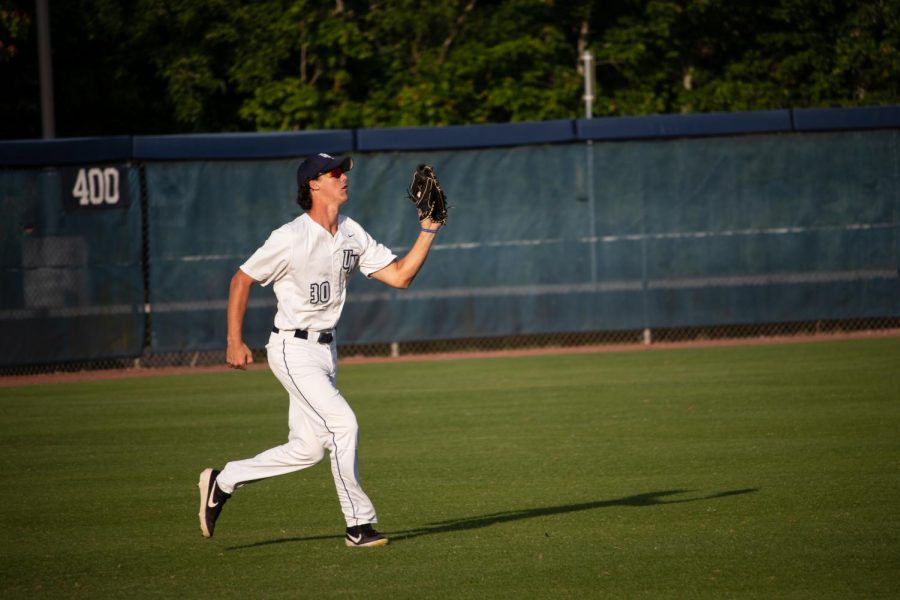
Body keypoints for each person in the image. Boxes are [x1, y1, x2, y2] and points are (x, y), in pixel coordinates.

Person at [198, 152, 443, 547]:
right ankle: (358, 525)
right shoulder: (289, 237)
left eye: (343, 171)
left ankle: (223, 480)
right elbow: (241, 280)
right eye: (334, 173)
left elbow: (400, 277)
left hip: (326, 352)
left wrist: (428, 230)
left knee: (308, 449)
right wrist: (234, 340)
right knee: (344, 425)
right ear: (313, 184)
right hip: (292, 349)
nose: (343, 177)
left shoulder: (351, 231)